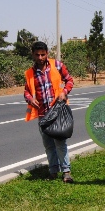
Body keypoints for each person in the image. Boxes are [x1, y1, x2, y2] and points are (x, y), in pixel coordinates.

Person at [24, 41, 75, 183]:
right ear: (33, 55)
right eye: (37, 55)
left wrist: (64, 92)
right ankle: (53, 171)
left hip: (57, 112)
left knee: (60, 143)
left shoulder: (57, 65)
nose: (40, 57)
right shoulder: (29, 73)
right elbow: (26, 91)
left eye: (42, 54)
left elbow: (69, 80)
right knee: (48, 145)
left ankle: (66, 172)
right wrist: (30, 99)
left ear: (47, 53)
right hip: (42, 115)